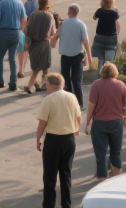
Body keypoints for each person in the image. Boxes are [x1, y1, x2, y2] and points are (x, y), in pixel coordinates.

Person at [36, 73, 81, 208]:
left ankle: (49, 204)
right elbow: (79, 118)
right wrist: (76, 129)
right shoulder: (72, 97)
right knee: (66, 173)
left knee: (50, 175)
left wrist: (38, 139)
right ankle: (66, 204)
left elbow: (42, 124)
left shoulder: (49, 100)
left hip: (53, 140)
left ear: (51, 85)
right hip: (69, 139)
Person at [85, 63, 126, 178]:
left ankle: (101, 177)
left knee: (100, 153)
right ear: (115, 72)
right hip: (116, 122)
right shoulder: (121, 85)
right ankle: (116, 176)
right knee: (116, 151)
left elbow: (91, 105)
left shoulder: (96, 85)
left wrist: (87, 123)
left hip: (100, 123)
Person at [58, 4, 92, 108]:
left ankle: (68, 104)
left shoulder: (63, 24)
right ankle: (79, 104)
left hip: (65, 55)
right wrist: (89, 58)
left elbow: (56, 36)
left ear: (69, 12)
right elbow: (85, 42)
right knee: (76, 80)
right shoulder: (81, 24)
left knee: (65, 80)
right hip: (77, 55)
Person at [25, 0, 57, 94]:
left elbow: (26, 29)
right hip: (44, 43)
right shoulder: (49, 16)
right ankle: (43, 85)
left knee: (35, 67)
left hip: (32, 44)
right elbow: (52, 32)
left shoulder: (33, 14)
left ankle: (35, 85)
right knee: (46, 67)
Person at [92, 0, 120, 71]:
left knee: (96, 54)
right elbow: (117, 23)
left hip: (100, 36)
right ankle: (108, 68)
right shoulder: (115, 12)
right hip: (112, 37)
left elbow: (94, 17)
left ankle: (96, 69)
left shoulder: (99, 11)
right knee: (110, 57)